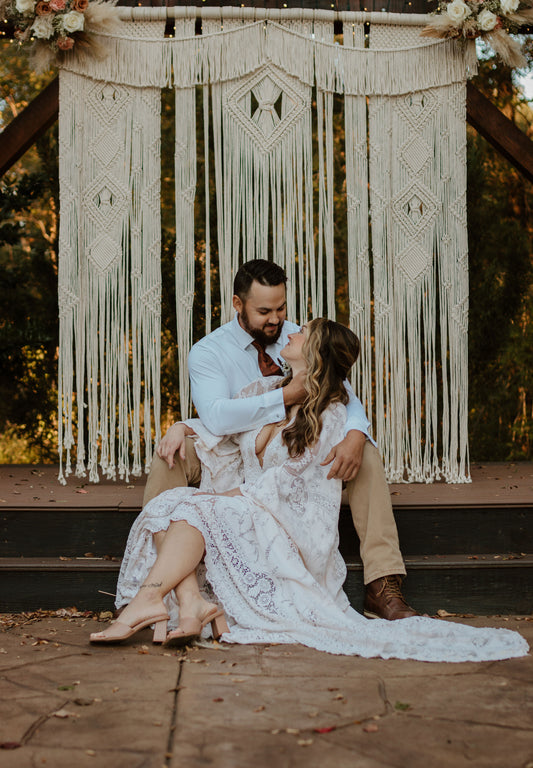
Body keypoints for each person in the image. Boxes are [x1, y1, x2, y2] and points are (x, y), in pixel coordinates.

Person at [90, 318, 528, 663]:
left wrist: (228, 500)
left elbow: (297, 490)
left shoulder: (331, 414)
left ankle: (154, 599)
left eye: (300, 331)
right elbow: (224, 428)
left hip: (285, 523)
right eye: (282, 320)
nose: (289, 328)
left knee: (184, 508)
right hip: (248, 506)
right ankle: (185, 603)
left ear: (314, 354)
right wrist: (183, 425)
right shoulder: (264, 388)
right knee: (174, 504)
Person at [144, 259, 414, 621]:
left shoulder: (300, 339)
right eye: (264, 311)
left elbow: (345, 397)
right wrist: (283, 397)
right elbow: (219, 417)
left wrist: (354, 433)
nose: (277, 320)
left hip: (290, 462)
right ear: (238, 305)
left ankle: (383, 584)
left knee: (362, 451)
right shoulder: (210, 352)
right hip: (235, 452)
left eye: (281, 307)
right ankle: (157, 584)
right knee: (170, 455)